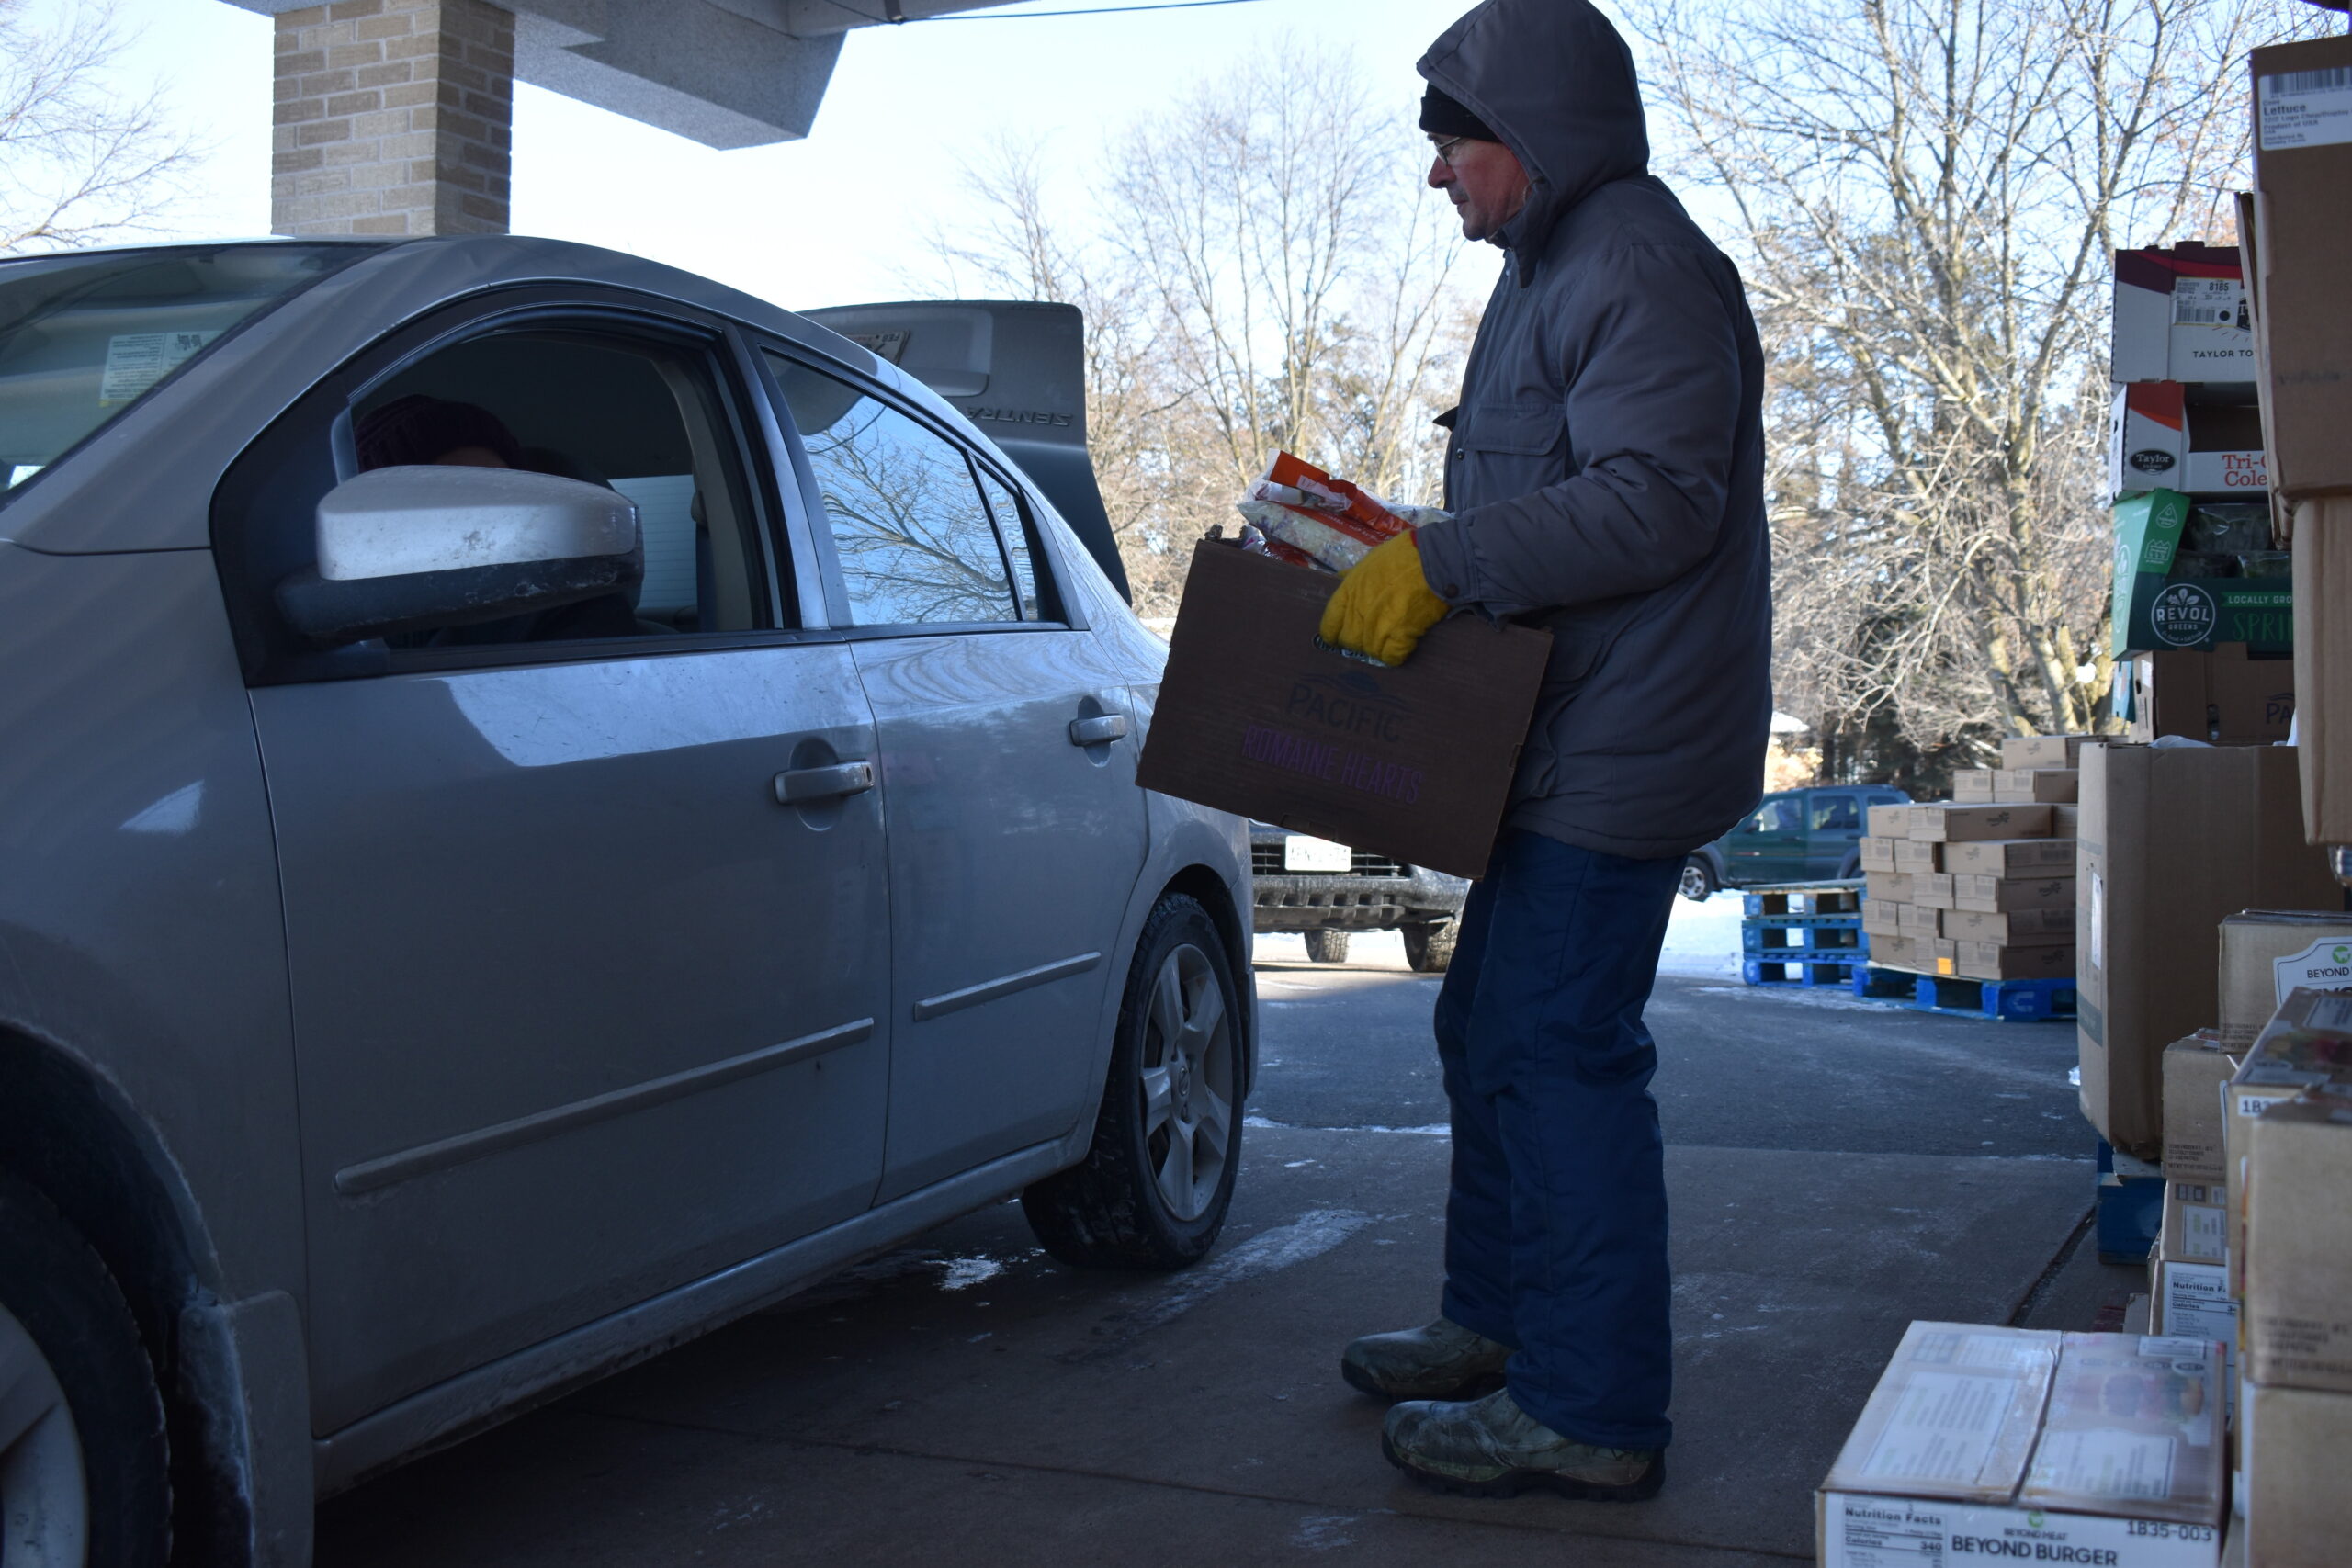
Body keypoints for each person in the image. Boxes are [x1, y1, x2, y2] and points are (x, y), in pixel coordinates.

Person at [1317, 0, 1771, 1503]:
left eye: (1456, 142)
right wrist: (1404, 548)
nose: (1438, 171)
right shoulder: (1549, 268)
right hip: (1552, 735)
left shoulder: (1634, 263)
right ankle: (1501, 1328)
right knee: (1485, 1036)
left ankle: (1589, 1410)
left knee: (1558, 1054)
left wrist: (1443, 566)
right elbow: (1555, 494)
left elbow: (1657, 501)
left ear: (1538, 139)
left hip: (1621, 743)